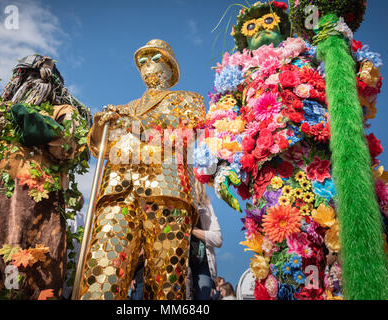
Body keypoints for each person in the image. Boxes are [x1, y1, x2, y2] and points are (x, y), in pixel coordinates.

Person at [194, 1, 386, 300]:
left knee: (343, 249)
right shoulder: (236, 75)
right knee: (291, 255)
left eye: (268, 21)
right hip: (273, 176)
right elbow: (222, 118)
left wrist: (337, 41)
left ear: (284, 27)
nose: (260, 29)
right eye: (251, 26)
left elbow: (361, 82)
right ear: (243, 38)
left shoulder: (307, 51)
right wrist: (221, 167)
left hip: (329, 157)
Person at [0, 54, 90, 300]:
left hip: (30, 206)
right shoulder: (0, 117)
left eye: (36, 76)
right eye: (24, 76)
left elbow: (67, 147)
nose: (30, 81)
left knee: (19, 275)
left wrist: (26, 115)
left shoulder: (63, 111)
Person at [76, 39, 206, 300]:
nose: (147, 65)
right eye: (142, 60)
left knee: (166, 278)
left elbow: (186, 130)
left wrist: (134, 124)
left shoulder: (188, 100)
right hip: (116, 191)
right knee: (103, 267)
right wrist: (100, 125)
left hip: (166, 190)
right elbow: (97, 146)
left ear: (171, 66)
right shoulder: (125, 107)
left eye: (155, 58)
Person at [187, 180, 222, 300]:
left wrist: (193, 230)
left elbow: (218, 240)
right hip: (183, 263)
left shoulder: (206, 207)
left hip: (202, 263)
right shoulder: (175, 204)